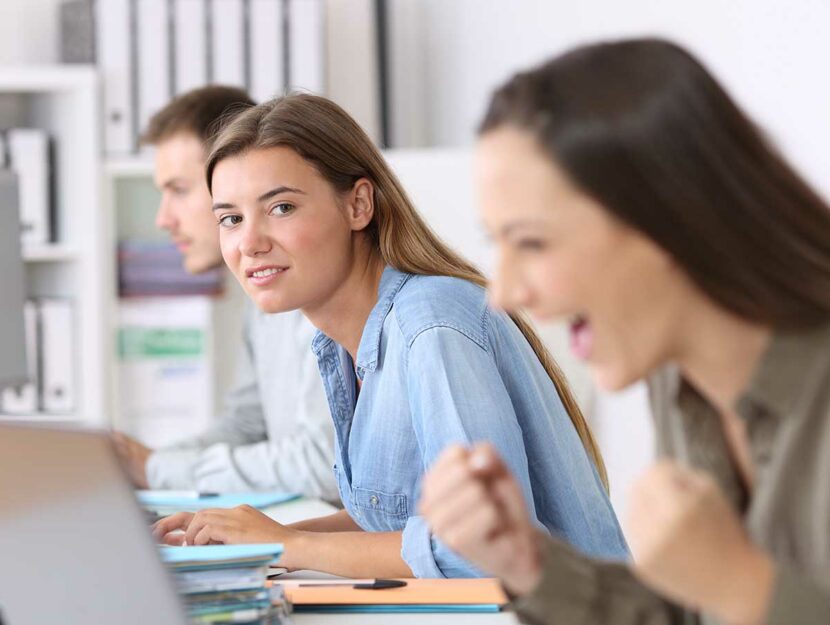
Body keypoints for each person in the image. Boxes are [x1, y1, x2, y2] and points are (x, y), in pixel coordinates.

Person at [418, 38, 830, 625]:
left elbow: (733, 595)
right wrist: (528, 562)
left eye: (532, 242)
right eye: (497, 242)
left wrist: (744, 585)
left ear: (671, 220)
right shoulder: (679, 378)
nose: (504, 293)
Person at [151, 93, 629, 579]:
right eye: (230, 218)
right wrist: (251, 535)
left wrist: (288, 544)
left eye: (281, 208)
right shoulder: (342, 344)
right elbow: (394, 519)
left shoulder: (430, 324)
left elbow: (486, 551)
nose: (249, 242)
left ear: (359, 205)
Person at [112, 86, 338, 502]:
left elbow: (325, 463)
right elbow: (249, 424)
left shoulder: (317, 293)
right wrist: (144, 464)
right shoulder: (264, 298)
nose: (163, 219)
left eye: (179, 190)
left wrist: (158, 469)